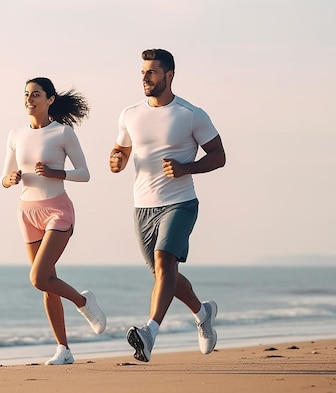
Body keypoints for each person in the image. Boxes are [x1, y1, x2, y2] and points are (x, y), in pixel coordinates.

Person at [109, 49, 226, 362]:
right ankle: (203, 314)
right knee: (165, 276)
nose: (145, 78)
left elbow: (218, 156)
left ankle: (149, 334)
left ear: (169, 75)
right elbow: (120, 149)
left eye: (152, 72)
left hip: (180, 202)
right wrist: (116, 160)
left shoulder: (190, 114)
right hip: (142, 206)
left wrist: (187, 167)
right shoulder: (130, 114)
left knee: (164, 263)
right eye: (143, 72)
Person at [1, 77, 106, 365]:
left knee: (38, 278)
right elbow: (4, 177)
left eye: (35, 94)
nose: (29, 99)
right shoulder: (15, 134)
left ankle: (83, 303)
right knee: (48, 281)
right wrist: (10, 180)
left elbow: (84, 173)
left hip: (57, 210)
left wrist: (57, 173)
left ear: (49, 99)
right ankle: (64, 349)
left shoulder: (63, 133)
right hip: (27, 211)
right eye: (26, 94)